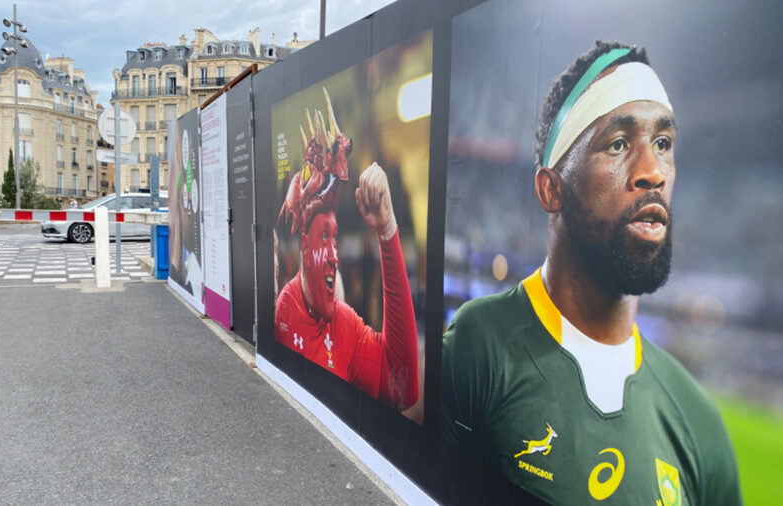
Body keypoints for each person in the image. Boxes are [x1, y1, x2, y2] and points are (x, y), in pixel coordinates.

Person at [440, 41, 741, 505]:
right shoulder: (478, 349)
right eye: (619, 144)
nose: (653, 172)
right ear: (551, 189)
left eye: (663, 144)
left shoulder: (698, 423)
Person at [275, 90, 419, 411]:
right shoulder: (281, 310)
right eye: (324, 237)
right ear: (303, 244)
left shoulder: (343, 325)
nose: (333, 254)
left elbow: (402, 387)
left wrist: (387, 230)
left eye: (335, 239)